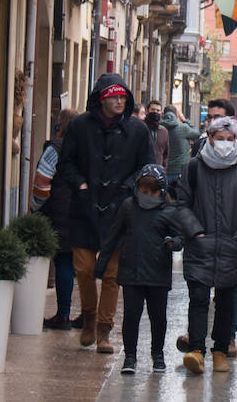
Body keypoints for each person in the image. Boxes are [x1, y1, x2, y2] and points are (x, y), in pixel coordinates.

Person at [56, 74, 156, 353]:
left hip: (120, 211)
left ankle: (104, 330)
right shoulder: (79, 126)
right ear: (101, 99)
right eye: (114, 97)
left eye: (123, 97)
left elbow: (146, 167)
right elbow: (66, 164)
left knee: (112, 275)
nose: (120, 101)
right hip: (84, 209)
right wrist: (81, 184)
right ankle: (88, 318)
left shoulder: (137, 130)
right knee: (84, 269)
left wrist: (128, 188)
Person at [172, 116, 237, 375]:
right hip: (200, 246)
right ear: (209, 138)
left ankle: (221, 350)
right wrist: (195, 232)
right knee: (198, 299)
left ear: (236, 140)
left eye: (229, 139)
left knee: (227, 300)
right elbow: (182, 204)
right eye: (219, 138)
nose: (224, 143)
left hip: (232, 246)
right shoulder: (193, 167)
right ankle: (197, 350)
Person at [95, 165, 184, 374]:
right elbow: (113, 236)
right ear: (138, 189)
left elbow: (181, 238)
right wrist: (101, 266)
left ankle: (158, 355)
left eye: (152, 191)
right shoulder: (128, 207)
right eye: (144, 191)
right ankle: (130, 357)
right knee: (131, 316)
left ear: (161, 191)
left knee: (158, 317)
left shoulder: (170, 212)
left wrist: (174, 243)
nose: (148, 195)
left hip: (158, 274)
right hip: (131, 272)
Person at [32, 107, 78, 330]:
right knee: (73, 263)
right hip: (79, 212)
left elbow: (42, 181)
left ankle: (63, 314)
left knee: (62, 261)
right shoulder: (85, 150)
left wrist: (35, 207)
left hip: (58, 210)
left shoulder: (56, 148)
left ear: (60, 124)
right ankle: (75, 314)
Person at [159, 106, 199, 186]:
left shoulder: (159, 128)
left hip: (164, 171)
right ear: (177, 115)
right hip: (181, 170)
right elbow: (197, 134)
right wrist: (185, 120)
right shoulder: (183, 128)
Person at [141, 99, 170, 173]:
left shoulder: (164, 131)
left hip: (158, 172)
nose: (155, 112)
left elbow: (166, 154)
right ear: (147, 111)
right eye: (153, 110)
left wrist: (163, 169)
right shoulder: (141, 128)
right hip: (142, 172)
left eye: (158, 110)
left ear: (161, 113)